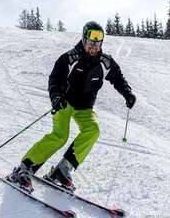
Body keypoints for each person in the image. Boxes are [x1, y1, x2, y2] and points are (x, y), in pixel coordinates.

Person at [7, 21, 136, 192]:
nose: (93, 48)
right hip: (65, 103)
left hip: (85, 108)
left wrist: (128, 93)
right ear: (84, 40)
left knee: (93, 130)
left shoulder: (105, 62)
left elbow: (118, 78)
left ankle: (62, 170)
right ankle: (24, 168)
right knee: (60, 135)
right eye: (90, 44)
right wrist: (55, 97)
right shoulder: (69, 58)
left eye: (97, 44)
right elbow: (54, 79)